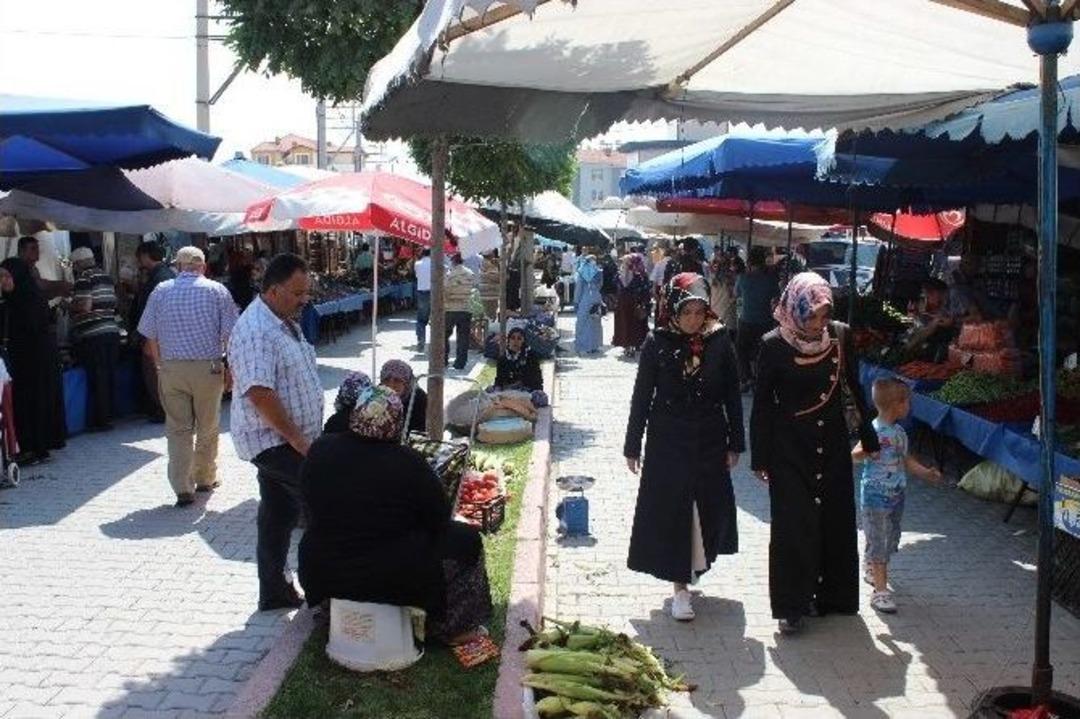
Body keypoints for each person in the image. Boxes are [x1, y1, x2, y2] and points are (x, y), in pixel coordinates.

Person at [298, 385, 493, 643]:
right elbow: (439, 518)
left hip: (323, 567)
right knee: (466, 539)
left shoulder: (321, 450)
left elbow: (307, 504)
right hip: (390, 574)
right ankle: (451, 628)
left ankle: (330, 611)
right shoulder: (408, 462)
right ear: (396, 422)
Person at [750, 272, 879, 635]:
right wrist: (759, 457)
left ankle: (833, 596)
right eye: (811, 316)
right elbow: (761, 405)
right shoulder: (773, 344)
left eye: (823, 315)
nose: (817, 324)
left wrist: (868, 434)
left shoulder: (838, 335)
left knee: (834, 518)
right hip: (789, 447)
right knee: (794, 524)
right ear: (794, 308)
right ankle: (792, 605)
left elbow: (853, 383)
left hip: (833, 442)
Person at [624, 273, 745, 621]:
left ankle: (695, 568)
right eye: (686, 312)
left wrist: (735, 442)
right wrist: (633, 445)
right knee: (677, 511)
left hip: (709, 438)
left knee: (708, 508)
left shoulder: (720, 341)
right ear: (673, 311)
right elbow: (641, 398)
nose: (693, 319)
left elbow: (733, 396)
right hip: (668, 441)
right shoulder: (656, 343)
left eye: (698, 311)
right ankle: (680, 589)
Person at [228, 253, 324, 611]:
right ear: (273, 289)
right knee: (323, 501)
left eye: (306, 292)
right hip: (274, 441)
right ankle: (324, 592)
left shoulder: (281, 319)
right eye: (298, 293)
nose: (304, 300)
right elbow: (258, 391)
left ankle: (273, 592)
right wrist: (297, 438)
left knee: (278, 513)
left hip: (286, 439)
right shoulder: (256, 329)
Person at [138, 247, 239, 507]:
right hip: (208, 368)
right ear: (203, 266)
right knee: (208, 425)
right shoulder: (217, 291)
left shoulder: (161, 291)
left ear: (179, 267)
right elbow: (231, 335)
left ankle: (183, 488)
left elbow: (149, 334)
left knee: (178, 429)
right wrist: (232, 368)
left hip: (172, 369)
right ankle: (204, 478)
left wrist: (160, 364)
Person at [852, 378, 942, 614]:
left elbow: (907, 460)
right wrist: (867, 450)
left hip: (896, 496)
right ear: (897, 405)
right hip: (874, 496)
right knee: (880, 542)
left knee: (889, 538)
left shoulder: (900, 433)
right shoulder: (872, 430)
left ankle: (870, 563)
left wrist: (925, 473)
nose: (910, 407)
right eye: (908, 402)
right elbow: (854, 455)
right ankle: (880, 592)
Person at [0, 238, 67, 464]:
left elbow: (30, 328)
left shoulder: (26, 299)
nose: (3, 281)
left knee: (32, 400)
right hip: (31, 358)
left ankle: (33, 448)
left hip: (34, 358)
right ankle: (37, 447)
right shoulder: (19, 296)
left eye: (6, 276)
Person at [69, 246, 122, 432]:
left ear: (77, 264)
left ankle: (101, 421)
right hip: (111, 331)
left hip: (93, 334)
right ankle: (110, 415)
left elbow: (84, 305)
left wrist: (68, 304)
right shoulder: (106, 276)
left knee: (97, 376)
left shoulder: (84, 278)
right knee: (108, 375)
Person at [130, 241, 176, 423]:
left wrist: (149, 336)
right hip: (160, 333)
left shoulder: (159, 277)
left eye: (139, 257)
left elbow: (156, 309)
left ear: (145, 256)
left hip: (156, 335)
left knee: (154, 372)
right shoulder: (163, 275)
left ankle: (163, 409)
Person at [735, 246, 780, 391]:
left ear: (749, 261)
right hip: (765, 320)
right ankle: (759, 379)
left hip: (746, 320)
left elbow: (736, 294)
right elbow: (776, 297)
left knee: (741, 350)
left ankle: (746, 378)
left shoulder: (743, 278)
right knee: (762, 352)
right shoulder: (771, 278)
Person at [612, 253, 651, 356]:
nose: (624, 264)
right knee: (629, 324)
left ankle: (629, 346)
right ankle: (630, 345)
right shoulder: (635, 275)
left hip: (628, 303)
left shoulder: (635, 275)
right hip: (629, 302)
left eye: (625, 262)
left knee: (629, 324)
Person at [444, 253, 476, 371]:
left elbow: (445, 291)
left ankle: (443, 360)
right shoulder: (470, 274)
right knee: (463, 337)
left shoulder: (449, 274)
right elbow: (472, 288)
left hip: (450, 309)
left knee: (444, 336)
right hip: (465, 308)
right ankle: (460, 363)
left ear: (453, 261)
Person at [380, 359, 427, 433]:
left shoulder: (418, 399)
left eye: (397, 380)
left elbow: (420, 431)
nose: (391, 385)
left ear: (407, 383)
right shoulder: (377, 395)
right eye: (386, 379)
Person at [493, 327, 543, 392]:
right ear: (509, 341)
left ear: (523, 341)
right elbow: (499, 380)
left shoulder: (531, 356)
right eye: (513, 338)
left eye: (519, 339)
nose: (515, 341)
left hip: (528, 391)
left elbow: (537, 380)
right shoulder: (503, 358)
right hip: (507, 392)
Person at [574, 255, 604, 355]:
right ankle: (595, 345)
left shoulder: (582, 272)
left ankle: (585, 346)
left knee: (583, 323)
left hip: (585, 299)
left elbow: (579, 289)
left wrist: (576, 302)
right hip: (596, 297)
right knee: (595, 322)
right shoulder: (599, 272)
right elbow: (600, 286)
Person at [709, 256, 739, 342]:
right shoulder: (731, 280)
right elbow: (733, 297)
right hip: (729, 320)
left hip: (714, 319)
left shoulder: (712, 280)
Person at [414, 249, 432, 351]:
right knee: (436, 318)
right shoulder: (436, 263)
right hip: (434, 292)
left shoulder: (417, 264)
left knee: (421, 319)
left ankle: (421, 340)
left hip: (422, 292)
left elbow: (417, 276)